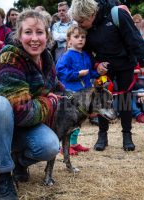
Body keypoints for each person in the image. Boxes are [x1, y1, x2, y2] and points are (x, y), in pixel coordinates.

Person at [0, 9, 64, 200]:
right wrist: (50, 101)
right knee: (0, 104)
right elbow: (23, 113)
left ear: (47, 35)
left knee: (50, 145)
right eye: (28, 32)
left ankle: (19, 162)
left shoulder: (47, 58)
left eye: (39, 32)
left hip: (18, 128)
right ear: (18, 35)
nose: (34, 38)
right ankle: (3, 178)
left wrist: (72, 96)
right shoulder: (10, 58)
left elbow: (56, 87)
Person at [69, 0, 144, 151]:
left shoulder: (116, 14)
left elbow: (134, 38)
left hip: (125, 64)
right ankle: (102, 135)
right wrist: (95, 65)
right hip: (103, 69)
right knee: (101, 100)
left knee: (125, 98)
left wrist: (143, 62)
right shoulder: (85, 26)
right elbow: (85, 51)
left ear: (91, 14)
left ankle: (127, 135)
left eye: (81, 21)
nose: (79, 24)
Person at [56, 24, 99, 154]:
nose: (80, 39)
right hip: (71, 93)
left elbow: (89, 72)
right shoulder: (67, 56)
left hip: (84, 92)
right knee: (69, 121)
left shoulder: (86, 55)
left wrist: (99, 72)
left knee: (78, 121)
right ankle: (63, 146)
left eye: (83, 37)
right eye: (76, 37)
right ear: (69, 40)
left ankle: (73, 143)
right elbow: (60, 71)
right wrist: (77, 74)